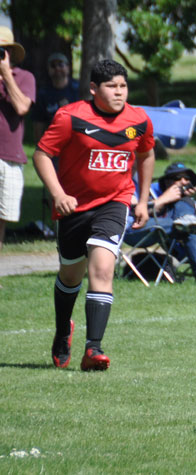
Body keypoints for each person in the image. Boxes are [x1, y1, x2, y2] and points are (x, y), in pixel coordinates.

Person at [33, 59, 156, 371]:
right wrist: (58, 194)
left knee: (102, 268)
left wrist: (141, 199)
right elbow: (42, 154)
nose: (119, 92)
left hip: (115, 203)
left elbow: (146, 153)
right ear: (93, 89)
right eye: (111, 86)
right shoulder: (71, 116)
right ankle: (63, 330)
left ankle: (94, 349)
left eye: (123, 86)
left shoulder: (139, 119)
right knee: (71, 274)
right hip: (73, 208)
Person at [124, 162, 196, 288]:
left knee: (189, 224)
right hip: (133, 229)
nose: (183, 182)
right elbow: (134, 213)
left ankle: (186, 219)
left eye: (187, 179)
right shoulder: (125, 183)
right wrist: (163, 200)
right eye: (177, 178)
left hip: (162, 225)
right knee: (186, 226)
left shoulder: (141, 181)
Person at [0, 26, 36, 251]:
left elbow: (23, 107)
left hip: (9, 158)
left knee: (1, 220)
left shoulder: (24, 77)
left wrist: (5, 74)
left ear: (10, 53)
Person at [33, 52, 80, 141]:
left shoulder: (78, 89)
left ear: (68, 68)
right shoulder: (43, 93)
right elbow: (38, 123)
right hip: (53, 141)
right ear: (48, 70)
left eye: (61, 65)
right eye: (53, 66)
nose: (57, 68)